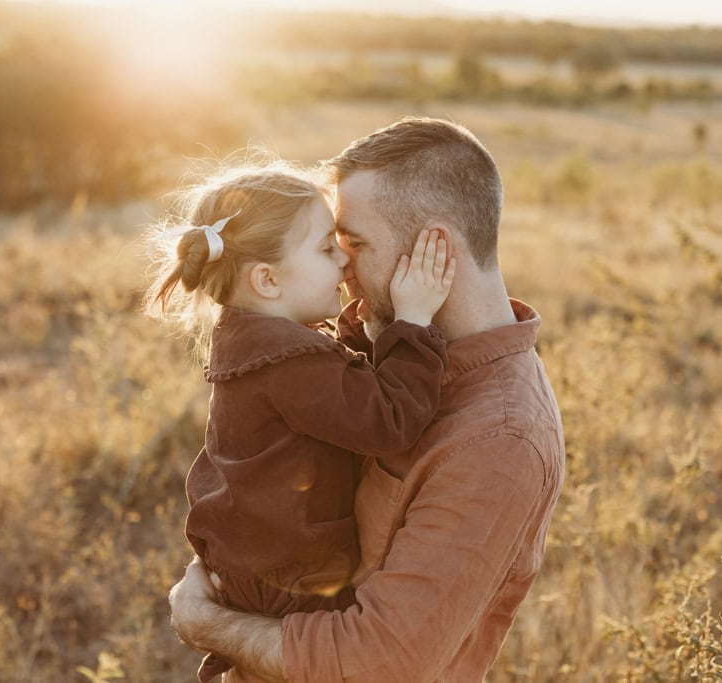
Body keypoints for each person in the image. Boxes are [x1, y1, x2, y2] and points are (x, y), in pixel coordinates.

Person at [168, 117, 566, 682]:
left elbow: (378, 662)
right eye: (331, 244)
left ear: (436, 250)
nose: (341, 264)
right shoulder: (371, 344)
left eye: (352, 244)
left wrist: (211, 624)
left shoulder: (500, 439)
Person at [144, 161, 457, 682]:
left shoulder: (253, 336)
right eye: (325, 248)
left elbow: (337, 384)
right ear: (266, 279)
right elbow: (389, 420)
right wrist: (414, 321)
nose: (344, 260)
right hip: (293, 583)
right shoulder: (289, 360)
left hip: (254, 564)